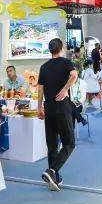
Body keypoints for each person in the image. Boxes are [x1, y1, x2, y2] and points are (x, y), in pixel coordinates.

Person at [38, 38, 77, 191]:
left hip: (49, 108)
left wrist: (39, 107)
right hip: (62, 107)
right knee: (69, 143)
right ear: (61, 48)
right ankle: (52, 171)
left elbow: (40, 89)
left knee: (52, 145)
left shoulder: (44, 67)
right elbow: (74, 75)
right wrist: (65, 89)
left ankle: (54, 179)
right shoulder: (66, 63)